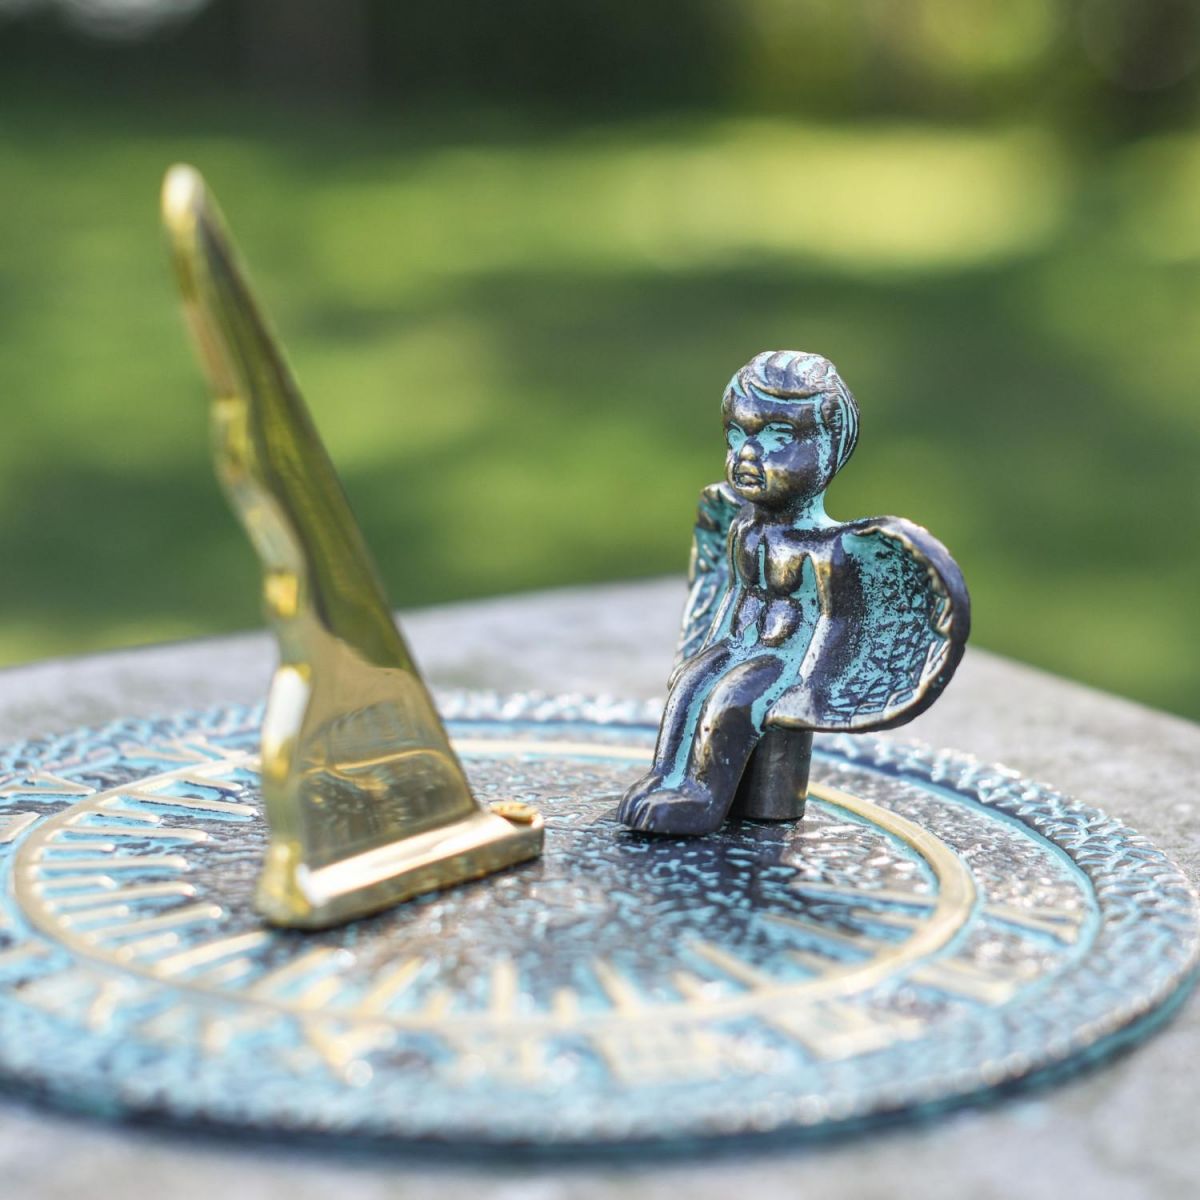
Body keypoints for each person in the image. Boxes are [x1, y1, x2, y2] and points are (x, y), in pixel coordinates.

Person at [618, 350, 969, 836]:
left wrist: (809, 685)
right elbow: (730, 595)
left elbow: (832, 620)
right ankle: (665, 778)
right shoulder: (741, 525)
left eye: (779, 439)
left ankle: (700, 796)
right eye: (738, 435)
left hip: (783, 661)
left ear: (830, 448)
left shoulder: (827, 550)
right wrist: (708, 646)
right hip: (739, 642)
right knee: (690, 684)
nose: (748, 454)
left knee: (732, 701)